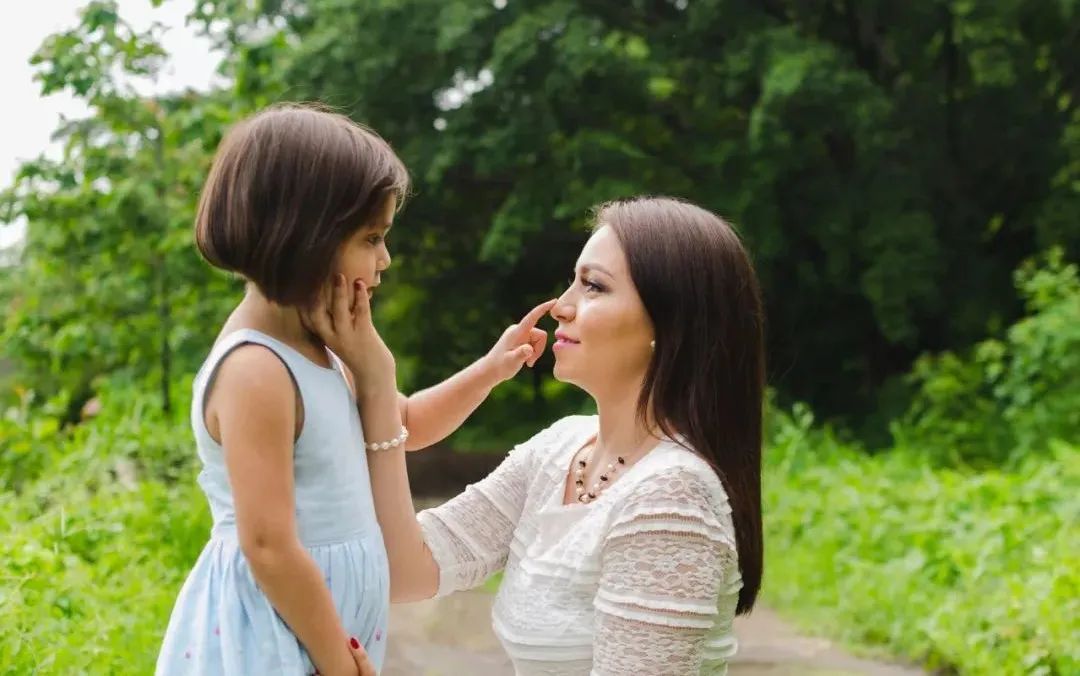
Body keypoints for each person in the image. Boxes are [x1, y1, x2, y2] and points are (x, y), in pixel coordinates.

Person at [156, 103, 548, 676]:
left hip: (324, 635)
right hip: (275, 636)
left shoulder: (327, 347)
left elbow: (403, 424)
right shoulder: (257, 370)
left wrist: (490, 369)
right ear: (303, 236)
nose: (385, 259)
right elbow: (268, 546)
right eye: (371, 238)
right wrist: (336, 660)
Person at [309, 196, 766, 675]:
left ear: (669, 325)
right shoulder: (559, 449)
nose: (561, 307)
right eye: (573, 282)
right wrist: (377, 383)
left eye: (593, 286)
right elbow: (406, 569)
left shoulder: (671, 498)